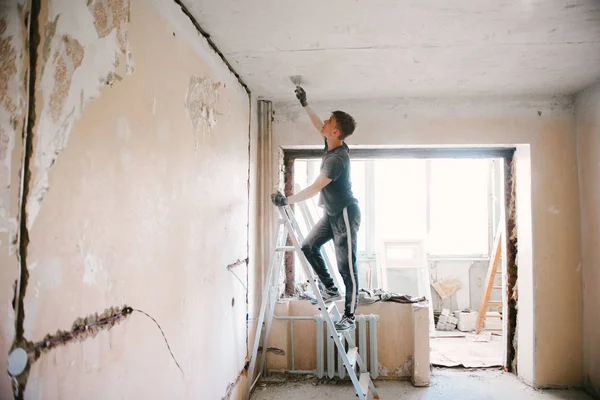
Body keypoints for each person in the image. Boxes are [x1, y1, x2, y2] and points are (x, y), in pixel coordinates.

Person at [270, 86, 360, 332]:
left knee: (347, 266)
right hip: (332, 213)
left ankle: (349, 316)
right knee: (309, 246)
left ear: (336, 131)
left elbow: (314, 188)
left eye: (329, 122)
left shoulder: (336, 159)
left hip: (345, 214)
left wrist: (287, 200)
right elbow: (317, 124)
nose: (324, 124)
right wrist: (305, 104)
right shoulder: (332, 143)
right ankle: (329, 288)